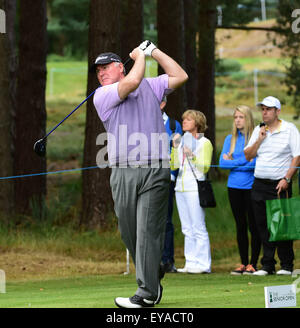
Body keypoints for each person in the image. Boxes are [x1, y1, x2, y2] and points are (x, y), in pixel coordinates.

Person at [91, 41, 188, 307]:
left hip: (155, 168)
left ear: (120, 66)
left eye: (105, 67)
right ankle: (152, 269)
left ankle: (146, 292)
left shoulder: (153, 86)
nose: (100, 73)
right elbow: (132, 82)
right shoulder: (104, 94)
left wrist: (154, 50)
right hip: (122, 171)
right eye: (97, 70)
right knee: (128, 231)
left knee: (147, 230)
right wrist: (140, 57)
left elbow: (181, 75)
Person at [244, 96, 300, 276]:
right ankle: (267, 265)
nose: (265, 112)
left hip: (279, 184)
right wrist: (260, 139)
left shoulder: (289, 129)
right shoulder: (259, 130)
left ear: (277, 111)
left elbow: (297, 157)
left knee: (281, 225)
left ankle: (286, 265)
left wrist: (287, 179)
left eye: (268, 109)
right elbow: (248, 155)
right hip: (259, 183)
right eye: (262, 109)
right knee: (262, 225)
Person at [219, 105, 261, 275]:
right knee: (240, 225)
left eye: (241, 117)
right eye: (235, 117)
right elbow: (222, 164)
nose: (237, 120)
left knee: (254, 225)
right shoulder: (230, 139)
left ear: (248, 119)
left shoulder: (255, 139)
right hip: (233, 187)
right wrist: (242, 160)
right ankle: (243, 263)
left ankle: (253, 264)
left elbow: (255, 164)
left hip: (251, 187)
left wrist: (234, 161)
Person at [171, 110, 212, 274]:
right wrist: (175, 149)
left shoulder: (204, 142)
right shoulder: (180, 141)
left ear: (197, 123)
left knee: (198, 226)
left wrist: (192, 155)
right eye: (184, 119)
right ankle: (191, 262)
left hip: (194, 187)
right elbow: (174, 166)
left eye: (188, 119)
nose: (184, 121)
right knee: (186, 228)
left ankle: (203, 264)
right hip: (180, 187)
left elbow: (205, 167)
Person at [160, 96, 182, 273]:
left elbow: (177, 152)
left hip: (167, 179)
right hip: (148, 177)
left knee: (166, 221)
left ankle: (167, 260)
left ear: (163, 103)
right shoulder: (144, 121)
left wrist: (173, 175)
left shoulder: (174, 126)